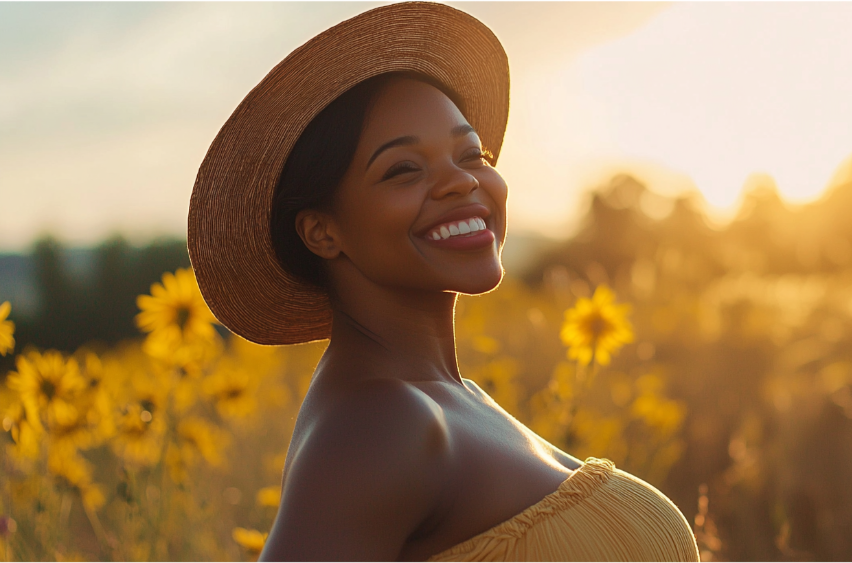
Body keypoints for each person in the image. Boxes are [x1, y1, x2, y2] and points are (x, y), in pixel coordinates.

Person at [187, 2, 699, 562]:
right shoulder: (379, 424)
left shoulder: (446, 399)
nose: (461, 182)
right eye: (404, 169)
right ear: (321, 232)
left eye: (471, 153)